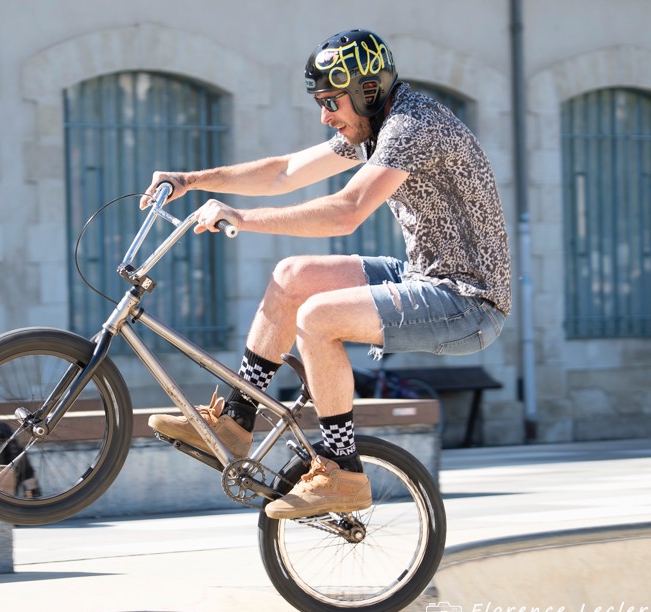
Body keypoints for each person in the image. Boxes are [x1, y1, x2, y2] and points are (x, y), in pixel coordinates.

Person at [142, 28, 511, 520]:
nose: (324, 116)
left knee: (318, 318)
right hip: (423, 276)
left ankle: (342, 470)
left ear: (367, 91)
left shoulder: (412, 127)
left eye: (330, 102)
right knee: (292, 275)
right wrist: (190, 180)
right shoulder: (373, 128)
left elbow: (346, 212)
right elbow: (284, 172)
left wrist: (242, 218)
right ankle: (236, 420)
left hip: (468, 301)